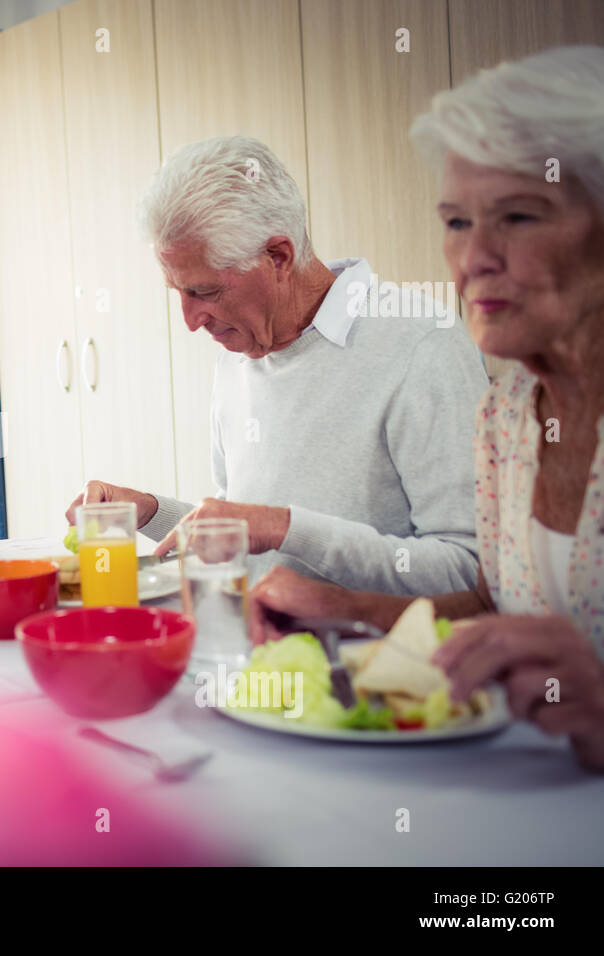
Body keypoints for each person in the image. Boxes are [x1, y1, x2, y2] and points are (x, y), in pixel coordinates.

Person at [250, 46, 604, 771]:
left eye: (519, 216)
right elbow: (495, 601)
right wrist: (348, 606)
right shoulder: (507, 414)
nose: (475, 257)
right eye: (456, 221)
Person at [66, 135, 489, 594]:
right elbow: (247, 534)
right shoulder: (238, 354)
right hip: (261, 653)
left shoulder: (422, 345)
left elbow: (470, 573)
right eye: (180, 293)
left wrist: (287, 527)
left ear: (278, 257)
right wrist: (150, 511)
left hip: (379, 661)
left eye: (205, 292)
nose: (190, 321)